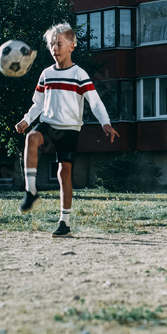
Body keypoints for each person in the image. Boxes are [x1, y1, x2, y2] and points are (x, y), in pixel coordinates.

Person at [15, 22, 119, 237]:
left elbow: (95, 102)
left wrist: (105, 123)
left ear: (72, 46)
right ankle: (31, 191)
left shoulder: (79, 74)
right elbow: (38, 104)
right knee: (32, 138)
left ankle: (65, 222)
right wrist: (27, 120)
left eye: (59, 44)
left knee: (64, 173)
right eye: (52, 45)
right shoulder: (46, 74)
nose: (55, 49)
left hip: (70, 129)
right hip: (49, 123)